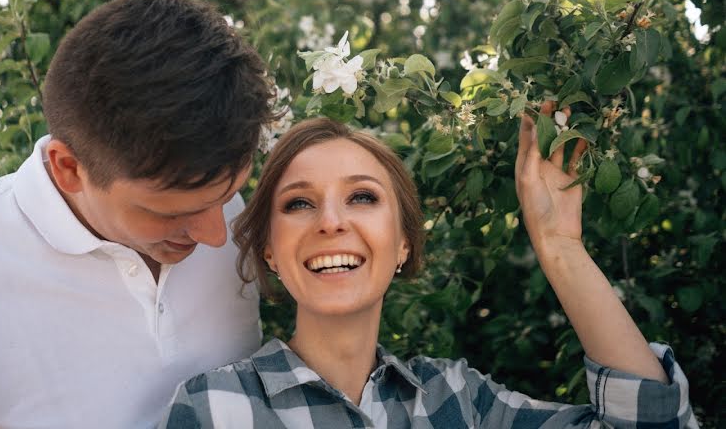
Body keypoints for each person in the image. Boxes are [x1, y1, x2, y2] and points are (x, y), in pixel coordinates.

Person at [0, 0, 276, 428]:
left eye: (225, 196)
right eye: (167, 212)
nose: (219, 236)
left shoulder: (222, 207)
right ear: (68, 169)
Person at [159, 114, 697, 428]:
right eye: (298, 204)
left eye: (362, 197)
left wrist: (561, 247)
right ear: (271, 252)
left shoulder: (460, 402)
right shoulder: (212, 408)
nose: (331, 222)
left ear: (402, 245)